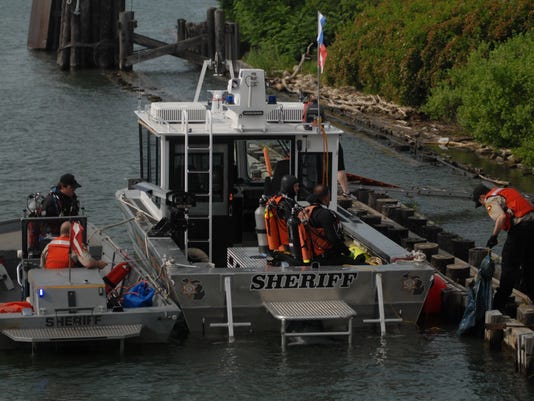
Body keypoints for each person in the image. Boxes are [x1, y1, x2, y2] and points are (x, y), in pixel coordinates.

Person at [473, 184, 534, 310]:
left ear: (481, 197)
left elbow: (501, 217)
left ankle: (498, 304)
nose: (484, 206)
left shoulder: (490, 199)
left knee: (509, 266)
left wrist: (493, 237)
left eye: (481, 204)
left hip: (520, 227)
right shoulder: (507, 190)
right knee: (529, 264)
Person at [301, 185, 357, 265]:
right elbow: (333, 239)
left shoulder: (306, 211)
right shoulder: (325, 215)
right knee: (363, 265)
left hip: (312, 255)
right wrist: (348, 253)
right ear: (326, 197)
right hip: (326, 257)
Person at [40, 221, 107, 269]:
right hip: (66, 280)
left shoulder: (50, 244)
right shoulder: (76, 245)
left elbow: (42, 260)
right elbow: (88, 263)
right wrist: (98, 264)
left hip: (49, 278)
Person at [264, 175, 300, 253]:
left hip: (285, 244)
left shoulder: (282, 199)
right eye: (296, 186)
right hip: (288, 244)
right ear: (289, 187)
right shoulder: (284, 204)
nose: (298, 189)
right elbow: (293, 224)